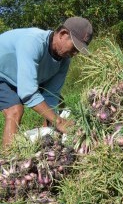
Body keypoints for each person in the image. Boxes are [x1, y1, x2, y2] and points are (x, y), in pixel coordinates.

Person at [0, 17, 93, 150]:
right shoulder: (33, 42)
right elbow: (28, 93)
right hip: (2, 74)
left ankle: (47, 144)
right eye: (75, 47)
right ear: (62, 34)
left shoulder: (64, 60)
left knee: (58, 103)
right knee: (15, 110)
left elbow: (52, 94)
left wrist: (51, 131)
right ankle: (7, 163)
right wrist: (59, 122)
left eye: (78, 50)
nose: (75, 53)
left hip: (18, 76)